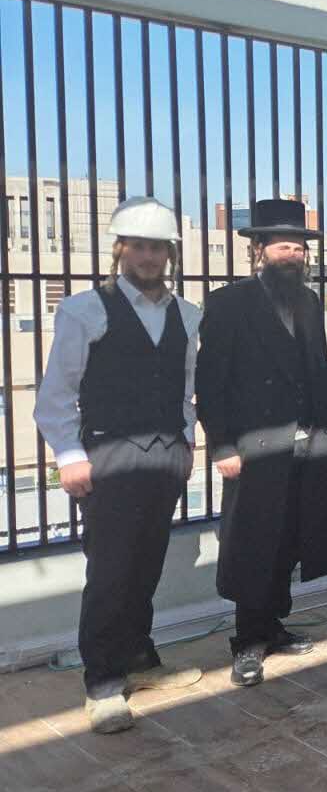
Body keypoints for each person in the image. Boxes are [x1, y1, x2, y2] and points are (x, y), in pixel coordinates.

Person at [36, 198, 203, 733]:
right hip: (107, 456)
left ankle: (138, 658)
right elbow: (56, 394)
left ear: (170, 254)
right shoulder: (84, 310)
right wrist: (69, 456)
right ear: (120, 249)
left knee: (147, 564)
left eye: (159, 248)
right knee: (109, 571)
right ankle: (103, 683)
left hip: (166, 456)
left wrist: (186, 441)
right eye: (140, 247)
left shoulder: (187, 314)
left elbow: (184, 387)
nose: (149, 257)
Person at [196, 198, 327, 688]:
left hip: (304, 443)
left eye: (299, 248)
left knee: (289, 539)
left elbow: (316, 374)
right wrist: (221, 446)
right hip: (253, 446)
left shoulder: (310, 302)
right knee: (254, 542)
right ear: (259, 249)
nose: (293, 256)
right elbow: (211, 382)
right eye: (283, 247)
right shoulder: (228, 303)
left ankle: (274, 625)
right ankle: (248, 640)